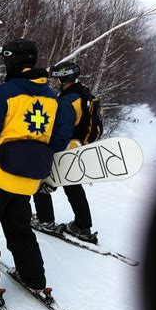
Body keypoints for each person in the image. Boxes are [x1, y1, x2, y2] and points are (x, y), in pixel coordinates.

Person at [0, 38, 73, 298]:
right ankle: (34, 279)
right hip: (28, 180)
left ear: (12, 60)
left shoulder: (6, 92)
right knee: (20, 230)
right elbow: (59, 139)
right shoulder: (53, 97)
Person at [32, 62, 96, 241]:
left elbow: (62, 131)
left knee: (41, 182)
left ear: (63, 78)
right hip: (78, 147)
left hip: (66, 148)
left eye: (57, 78)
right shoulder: (83, 93)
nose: (55, 82)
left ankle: (45, 221)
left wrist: (50, 153)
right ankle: (82, 225)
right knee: (73, 185)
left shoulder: (69, 100)